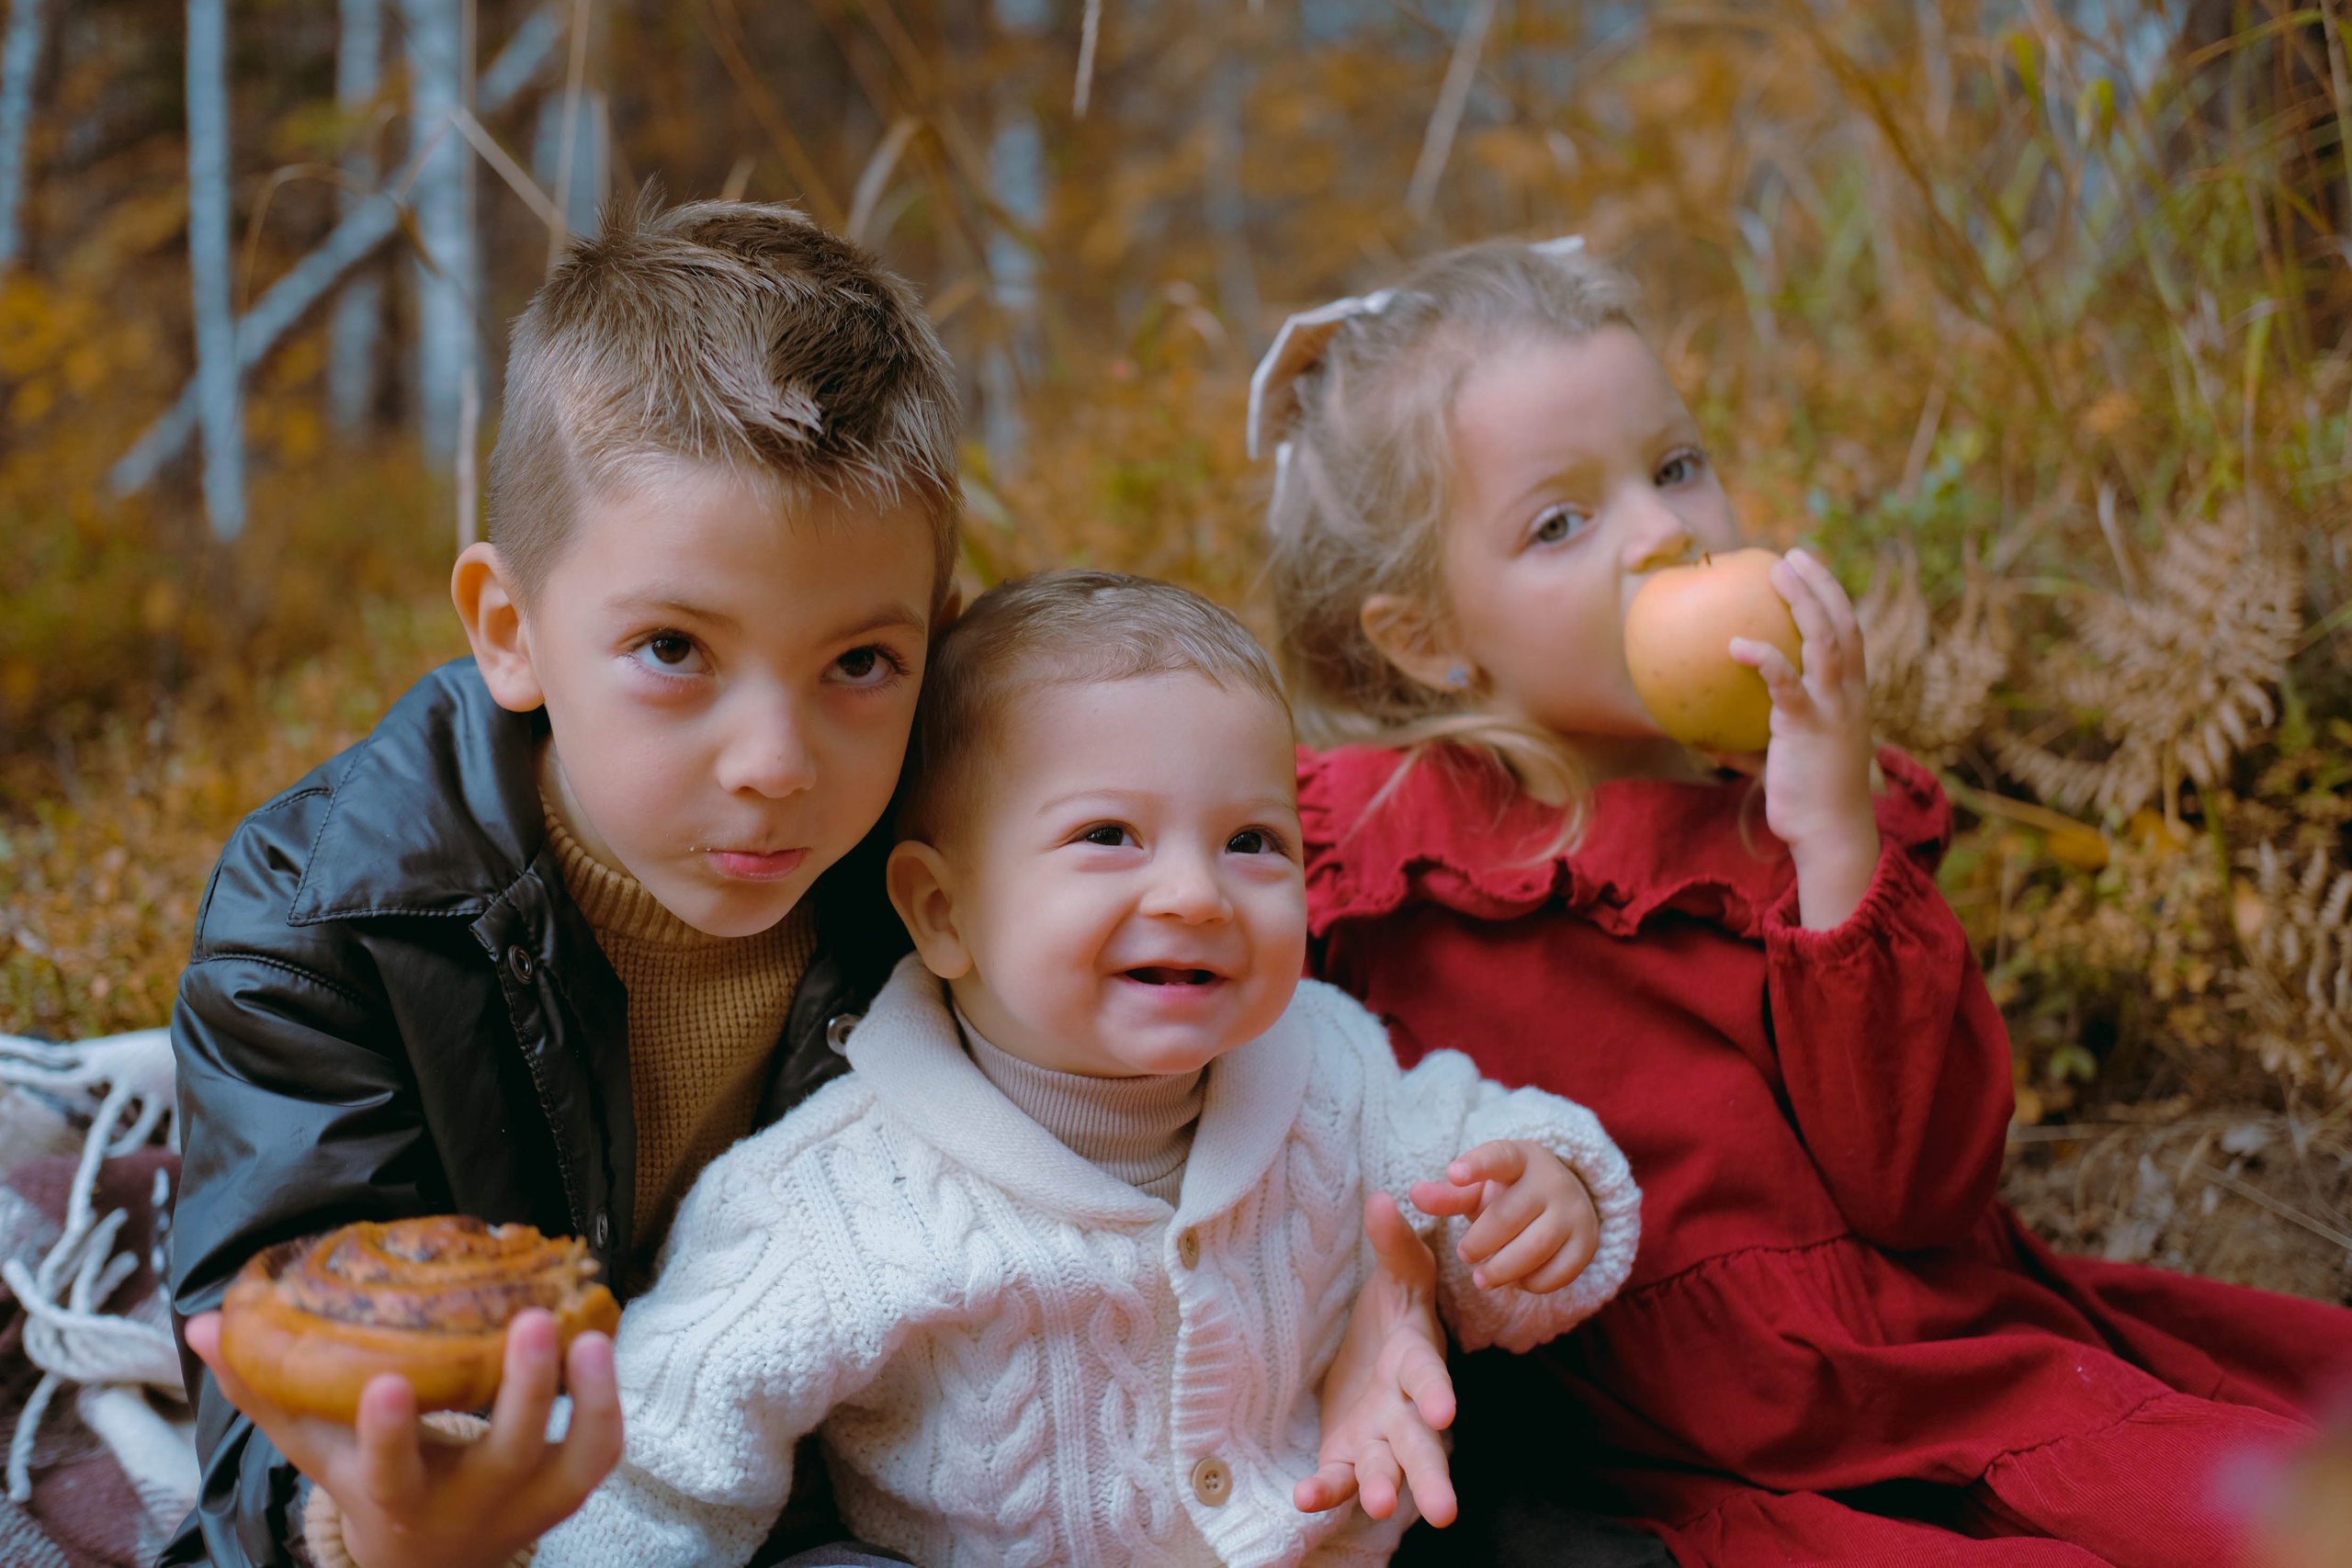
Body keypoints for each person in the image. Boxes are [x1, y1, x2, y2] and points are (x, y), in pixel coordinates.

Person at [1252, 235, 2352, 1565]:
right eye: (1562, 520)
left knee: (2233, 1512)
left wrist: (1831, 829)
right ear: (1426, 634)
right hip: (1642, 1446)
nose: (1665, 530)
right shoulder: (1371, 844)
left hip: (1909, 1366)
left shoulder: (1787, 803)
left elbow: (1924, 1186)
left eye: (1674, 466)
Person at [531, 570, 1645, 1568]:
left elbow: (1469, 1184)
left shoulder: (1328, 1063)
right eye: (1109, 835)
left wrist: (1545, 1200)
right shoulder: (827, 1203)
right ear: (943, 911)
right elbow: (660, 1457)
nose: (1196, 896)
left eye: (1253, 843)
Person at [163, 197, 963, 1568]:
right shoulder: (324, 924)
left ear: (934, 642)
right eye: (673, 646)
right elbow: (276, 1381)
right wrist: (372, 1525)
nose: (775, 764)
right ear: (511, 629)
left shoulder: (941, 868)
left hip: (810, 1501)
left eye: (858, 663)